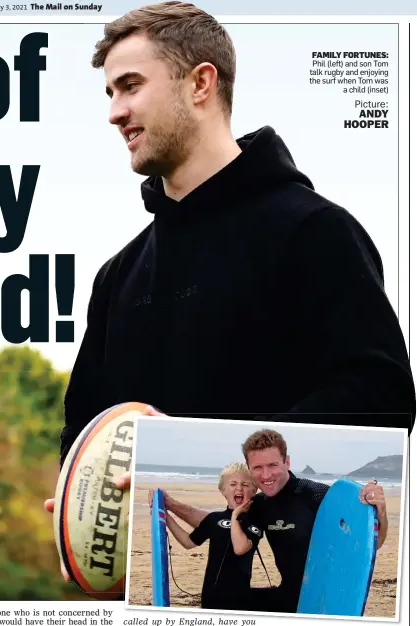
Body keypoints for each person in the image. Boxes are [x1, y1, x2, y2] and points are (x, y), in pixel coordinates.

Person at [45, 0, 412, 590]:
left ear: (200, 83)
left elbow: (384, 399)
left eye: (130, 86)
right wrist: (74, 513)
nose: (115, 112)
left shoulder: (314, 232)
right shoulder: (117, 275)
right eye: (109, 93)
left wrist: (214, 457)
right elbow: (84, 429)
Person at [156, 429, 389, 613]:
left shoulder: (315, 495)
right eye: (258, 468)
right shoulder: (258, 505)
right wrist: (170, 505)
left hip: (323, 596)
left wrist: (380, 510)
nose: (266, 475)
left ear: (287, 462)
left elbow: (371, 543)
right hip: (287, 597)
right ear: (249, 469)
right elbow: (217, 522)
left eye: (272, 465)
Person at [162, 462, 261, 610]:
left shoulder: (255, 523)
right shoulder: (214, 519)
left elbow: (240, 548)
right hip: (210, 596)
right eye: (233, 484)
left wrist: (234, 516)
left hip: (240, 598)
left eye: (245, 484)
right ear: (223, 490)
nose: (239, 488)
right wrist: (166, 517)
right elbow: (188, 542)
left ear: (254, 491)